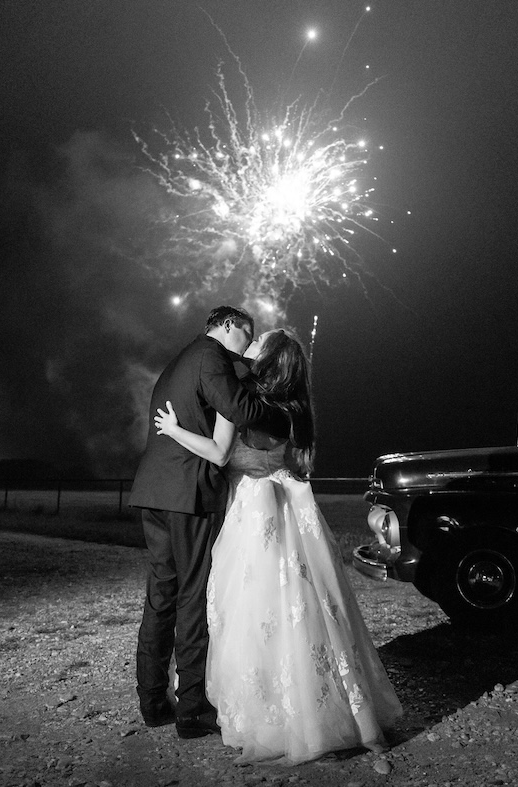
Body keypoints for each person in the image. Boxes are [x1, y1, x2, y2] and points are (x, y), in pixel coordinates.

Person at [154, 328, 402, 764]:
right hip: (287, 502)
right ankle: (332, 706)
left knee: (252, 610)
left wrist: (174, 430)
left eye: (258, 343)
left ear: (266, 359)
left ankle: (269, 710)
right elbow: (291, 462)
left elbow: (217, 454)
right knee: (308, 605)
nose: (250, 345)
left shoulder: (242, 403)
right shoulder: (293, 410)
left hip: (252, 507)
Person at [129, 305, 274, 739]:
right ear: (228, 325)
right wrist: (283, 415)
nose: (248, 344)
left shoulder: (178, 361)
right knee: (192, 597)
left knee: (161, 595)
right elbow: (239, 408)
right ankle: (192, 709)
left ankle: (153, 701)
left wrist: (244, 367)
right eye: (246, 335)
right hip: (188, 494)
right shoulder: (210, 356)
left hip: (154, 491)